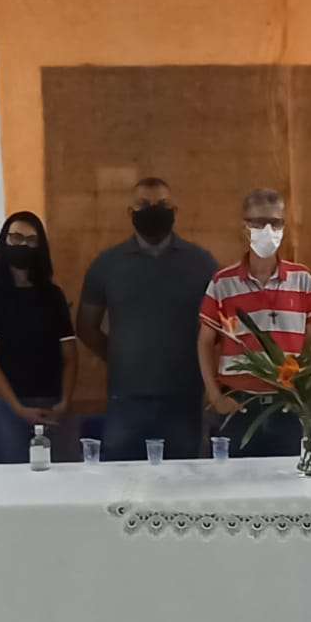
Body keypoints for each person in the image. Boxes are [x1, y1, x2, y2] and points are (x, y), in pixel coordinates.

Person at [77, 177, 218, 461]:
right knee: (121, 478)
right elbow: (86, 326)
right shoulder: (107, 264)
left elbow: (218, 327)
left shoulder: (202, 263)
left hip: (183, 396)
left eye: (162, 204)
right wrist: (119, 356)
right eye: (143, 204)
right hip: (125, 397)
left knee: (183, 476)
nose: (153, 210)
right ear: (130, 212)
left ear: (174, 210)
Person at [198, 188, 311, 457]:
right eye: (258, 222)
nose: (268, 230)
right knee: (234, 479)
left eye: (275, 222)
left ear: (284, 226)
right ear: (245, 228)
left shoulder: (302, 279)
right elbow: (205, 342)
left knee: (290, 477)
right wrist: (215, 397)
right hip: (239, 404)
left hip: (289, 403)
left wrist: (309, 389)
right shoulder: (223, 282)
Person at [0, 211, 77, 463]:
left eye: (31, 240)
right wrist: (18, 409)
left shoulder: (53, 295)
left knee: (66, 477)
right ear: (4, 241)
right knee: (13, 480)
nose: (23, 245)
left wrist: (64, 401)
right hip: (6, 406)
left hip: (54, 404)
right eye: (16, 237)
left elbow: (70, 356)